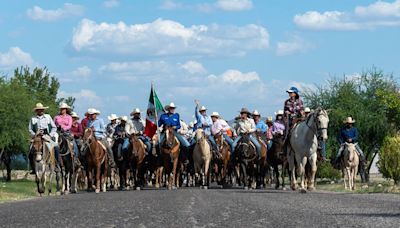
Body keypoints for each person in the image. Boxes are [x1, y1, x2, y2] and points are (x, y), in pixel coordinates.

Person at [28, 103, 61, 174]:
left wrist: (50, 135)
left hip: (46, 136)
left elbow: (54, 127)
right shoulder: (33, 119)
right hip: (37, 137)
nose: (40, 111)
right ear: (36, 111)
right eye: (39, 110)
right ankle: (33, 167)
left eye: (42, 110)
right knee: (30, 150)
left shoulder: (48, 117)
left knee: (56, 147)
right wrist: (35, 134)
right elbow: (30, 129)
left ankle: (57, 165)